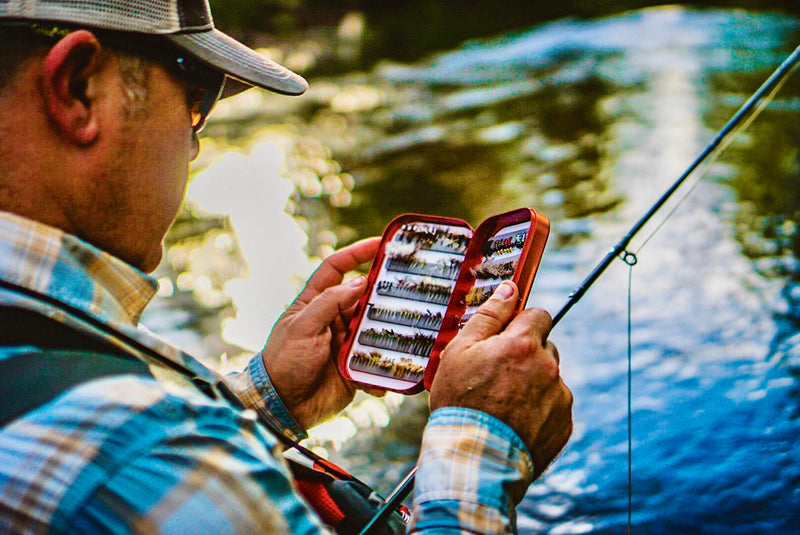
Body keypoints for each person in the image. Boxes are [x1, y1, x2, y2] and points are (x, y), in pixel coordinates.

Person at [0, 0, 573, 533]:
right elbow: (142, 459)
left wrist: (268, 400)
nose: (193, 146)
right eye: (196, 98)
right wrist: (481, 443)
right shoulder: (145, 452)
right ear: (77, 88)